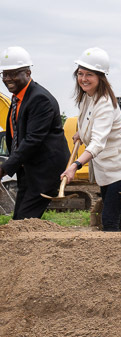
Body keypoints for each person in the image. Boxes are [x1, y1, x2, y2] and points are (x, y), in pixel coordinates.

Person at [61, 48, 121, 231]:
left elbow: (98, 142)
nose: (83, 79)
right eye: (80, 74)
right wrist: (81, 133)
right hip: (108, 168)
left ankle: (113, 258)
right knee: (118, 219)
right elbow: (91, 123)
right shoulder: (87, 97)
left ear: (101, 77)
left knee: (109, 219)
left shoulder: (105, 103)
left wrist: (75, 165)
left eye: (89, 74)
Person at [0, 46, 69, 219]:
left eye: (14, 73)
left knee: (23, 222)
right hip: (28, 170)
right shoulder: (18, 98)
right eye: (5, 74)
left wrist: (3, 170)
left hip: (44, 172)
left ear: (28, 73)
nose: (8, 79)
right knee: (19, 222)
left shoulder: (39, 99)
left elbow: (33, 139)